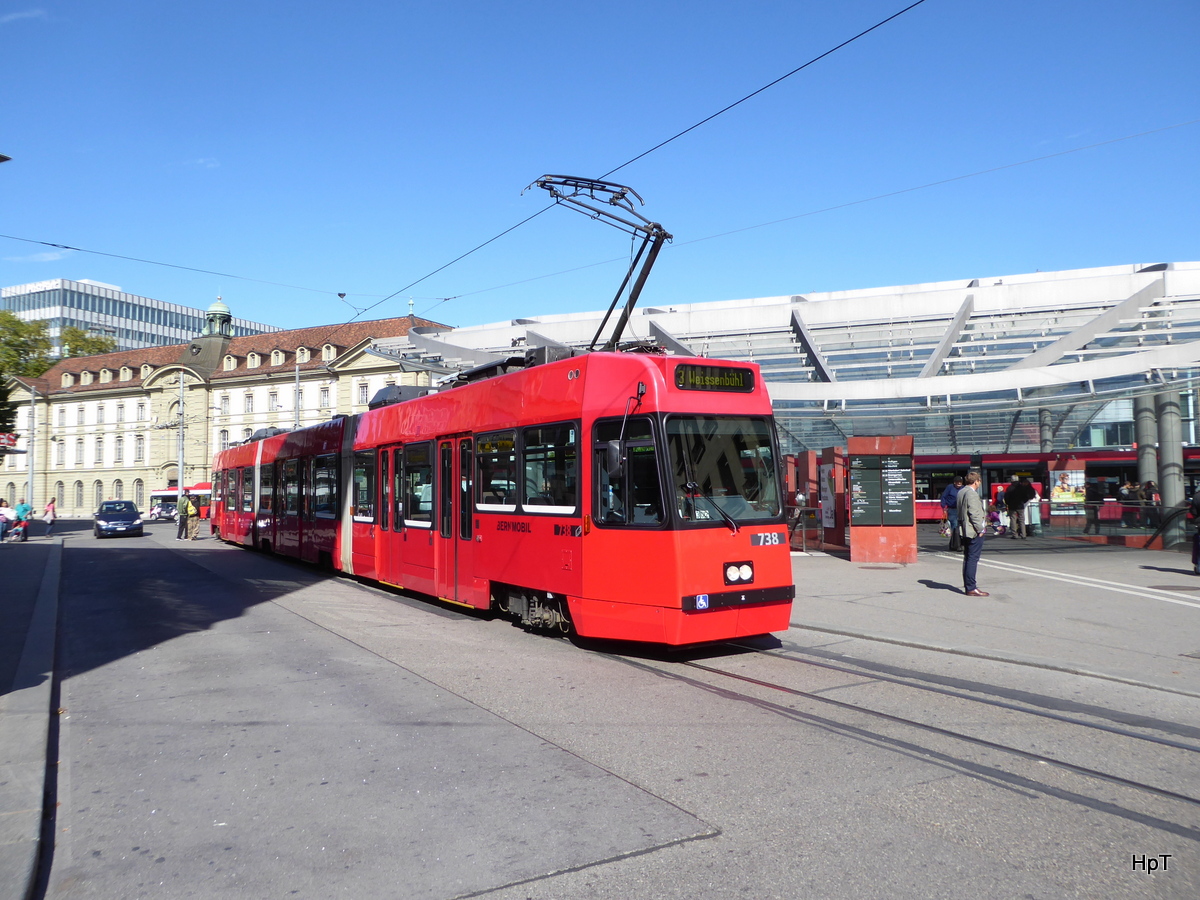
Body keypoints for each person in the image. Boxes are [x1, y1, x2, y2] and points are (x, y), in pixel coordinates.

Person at [956, 472, 989, 596]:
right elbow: (974, 514)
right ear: (977, 481)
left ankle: (968, 586)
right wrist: (980, 529)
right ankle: (971, 587)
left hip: (964, 530)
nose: (979, 483)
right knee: (972, 559)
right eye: (979, 481)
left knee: (967, 558)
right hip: (973, 531)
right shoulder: (972, 494)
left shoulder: (961, 492)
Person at [940, 477, 963, 548]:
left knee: (961, 526)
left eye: (960, 482)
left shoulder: (964, 488)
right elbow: (944, 497)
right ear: (954, 482)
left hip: (962, 509)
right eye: (957, 482)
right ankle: (957, 545)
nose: (959, 483)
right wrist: (944, 506)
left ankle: (954, 544)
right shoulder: (950, 487)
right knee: (955, 526)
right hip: (952, 509)